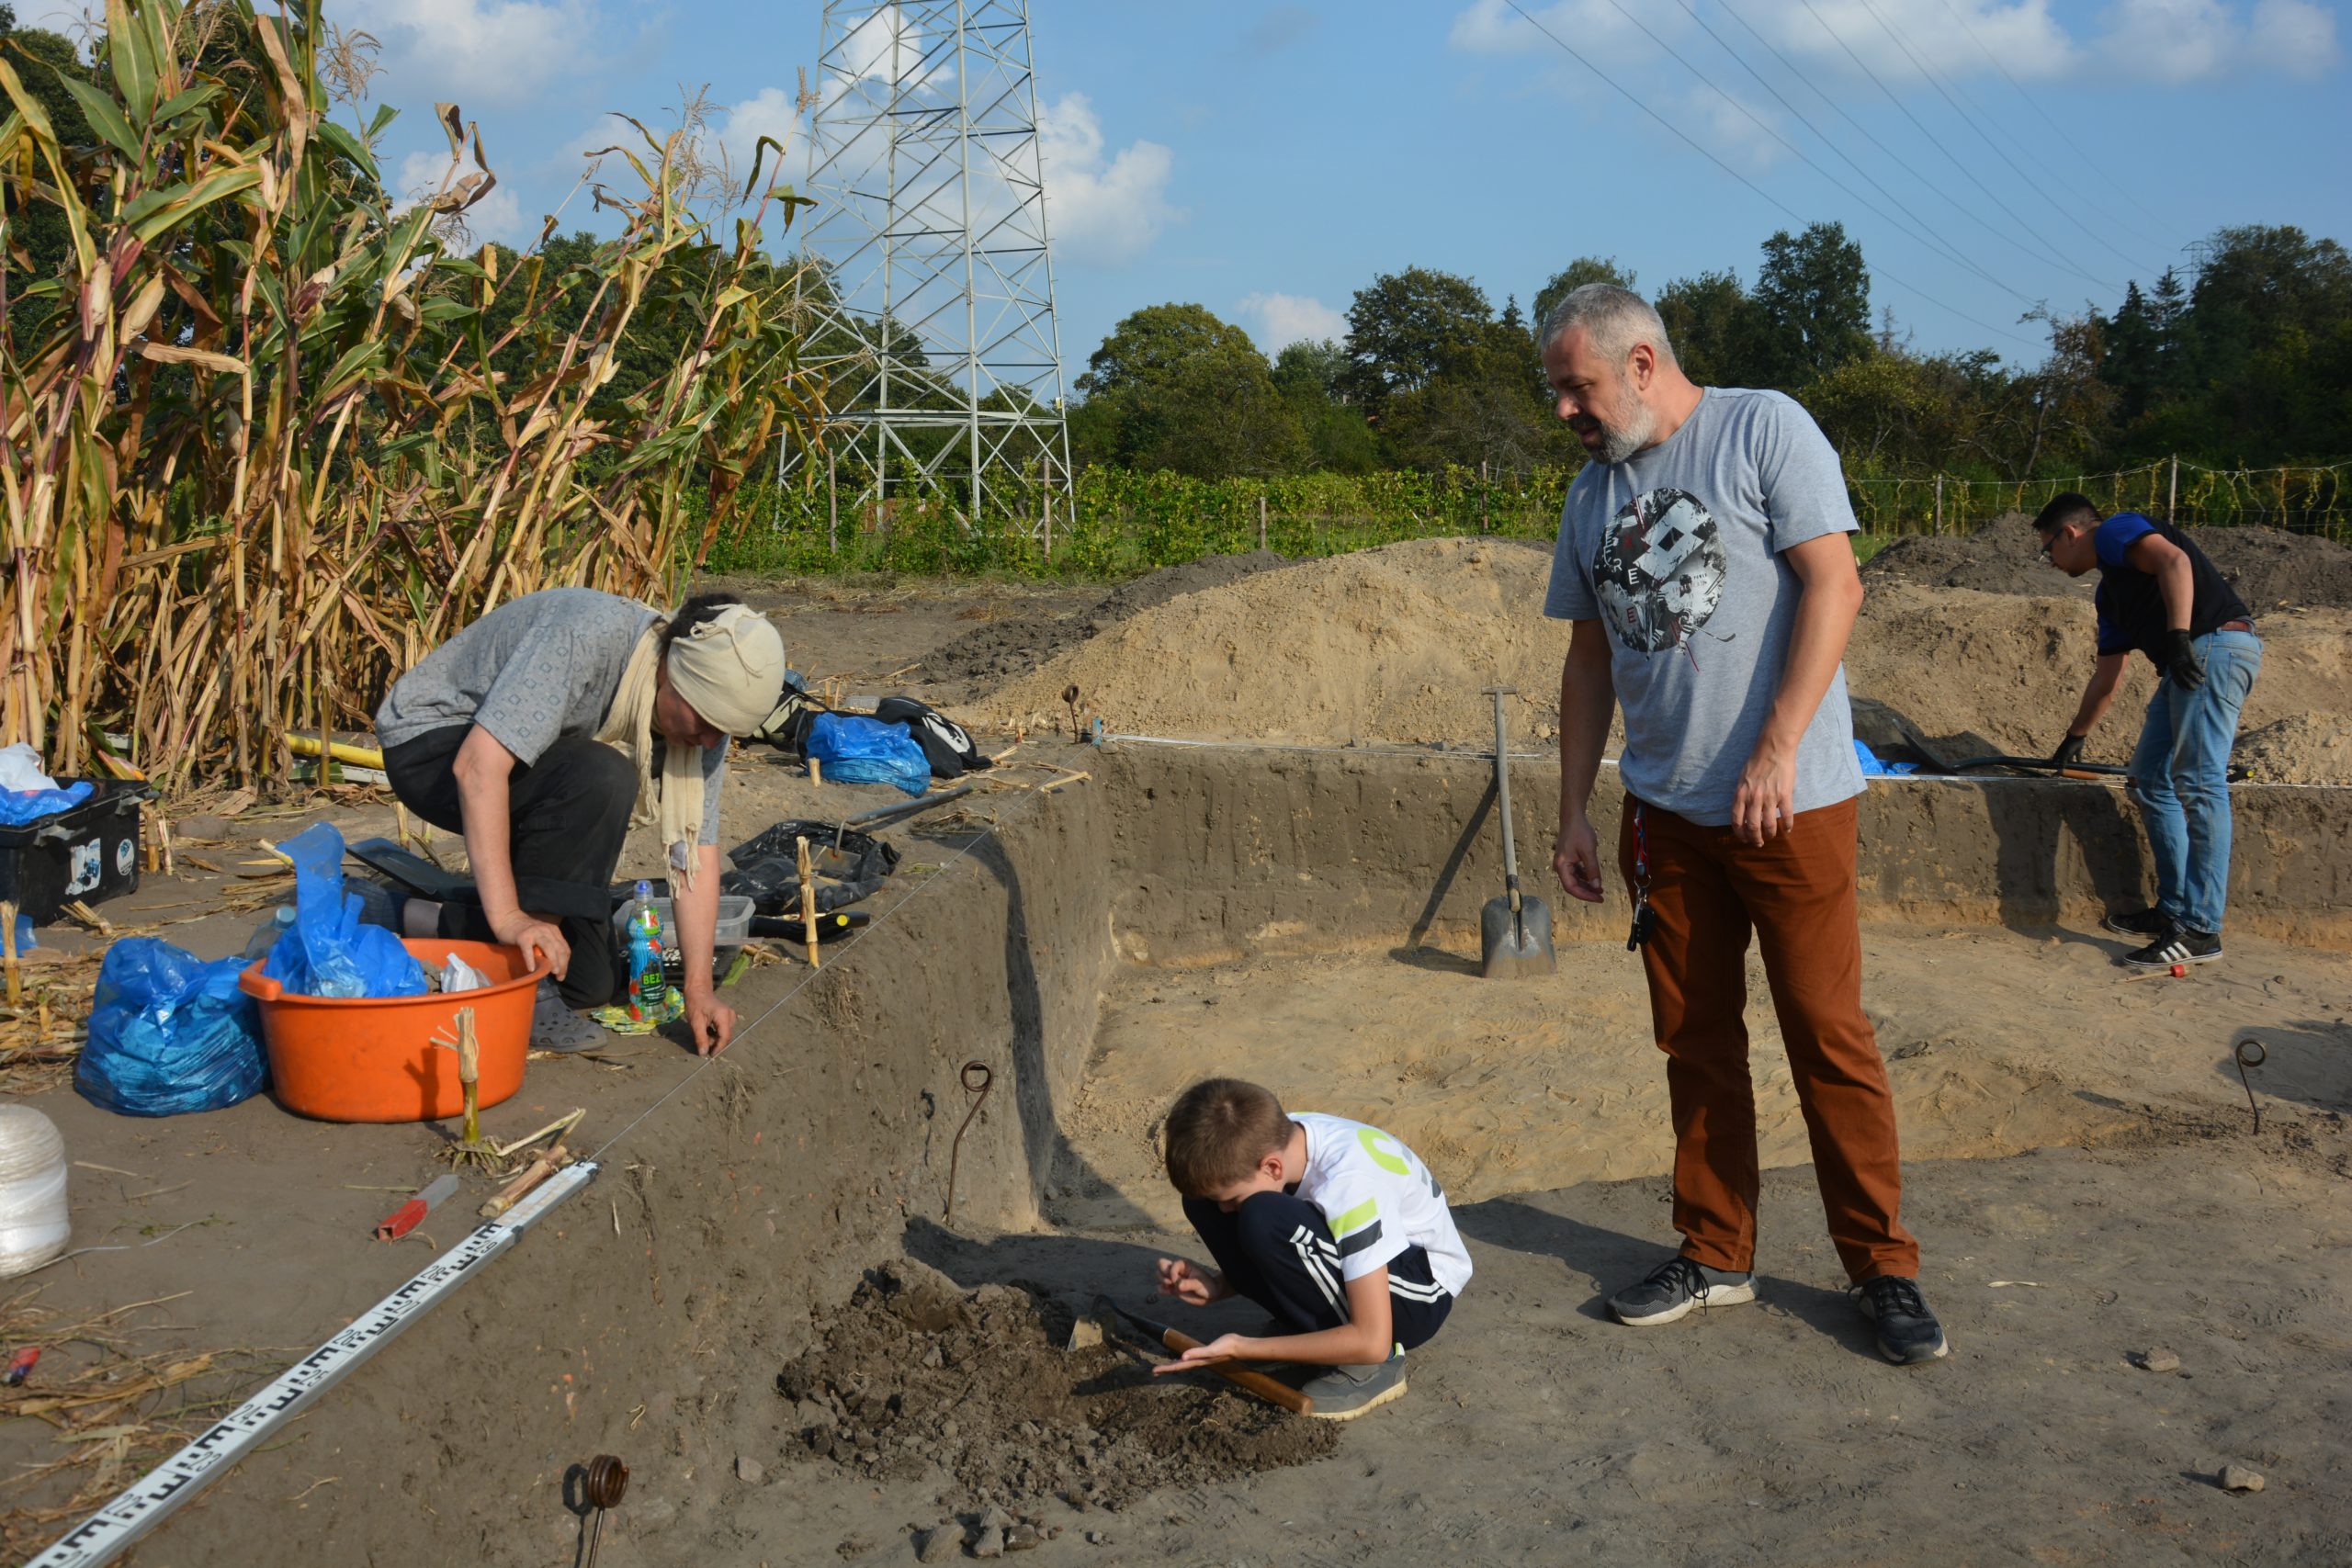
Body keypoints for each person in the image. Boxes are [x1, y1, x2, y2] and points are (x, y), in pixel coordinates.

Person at [1538, 284, 1946, 1366]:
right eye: (1558, 394)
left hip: (1790, 805)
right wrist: (1575, 806)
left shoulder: (1762, 427)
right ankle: (1715, 1250)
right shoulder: (1591, 495)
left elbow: (1835, 587)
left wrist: (1773, 748)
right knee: (1694, 1038)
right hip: (1664, 817)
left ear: (1638, 363)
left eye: (1576, 388)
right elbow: (1587, 658)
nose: (1567, 414)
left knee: (1828, 1036)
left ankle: (1882, 1268)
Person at [374, 588, 786, 1055]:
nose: (711, 742)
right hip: (434, 743)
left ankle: (400, 915)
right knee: (604, 774)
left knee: (591, 982)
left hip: (525, 770)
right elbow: (476, 767)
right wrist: (510, 918)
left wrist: (698, 990)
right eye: (705, 721)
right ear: (674, 669)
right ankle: (529, 983)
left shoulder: (709, 723)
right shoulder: (589, 635)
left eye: (724, 731)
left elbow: (694, 852)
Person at [1149, 1077, 1473, 1420]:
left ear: (1272, 1167)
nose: (1226, 1211)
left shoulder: (1349, 1186)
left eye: (1232, 1201)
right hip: (1364, 1266)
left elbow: (1372, 1337)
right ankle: (1307, 1333)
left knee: (1263, 1215)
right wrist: (1219, 1285)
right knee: (1205, 1201)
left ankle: (1373, 1369)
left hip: (1417, 1297)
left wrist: (1245, 1346)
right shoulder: (1274, 1139)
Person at [2032, 494, 2261, 969]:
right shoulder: (2109, 595)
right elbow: (2106, 678)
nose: (2049, 561)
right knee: (2151, 780)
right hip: (2187, 662)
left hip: (2212, 648)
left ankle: (2200, 929)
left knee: (2199, 782)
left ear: (2070, 533)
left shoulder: (2115, 531)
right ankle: (2175, 911)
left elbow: (2174, 561)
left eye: (2047, 549)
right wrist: (2073, 739)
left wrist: (2178, 636)